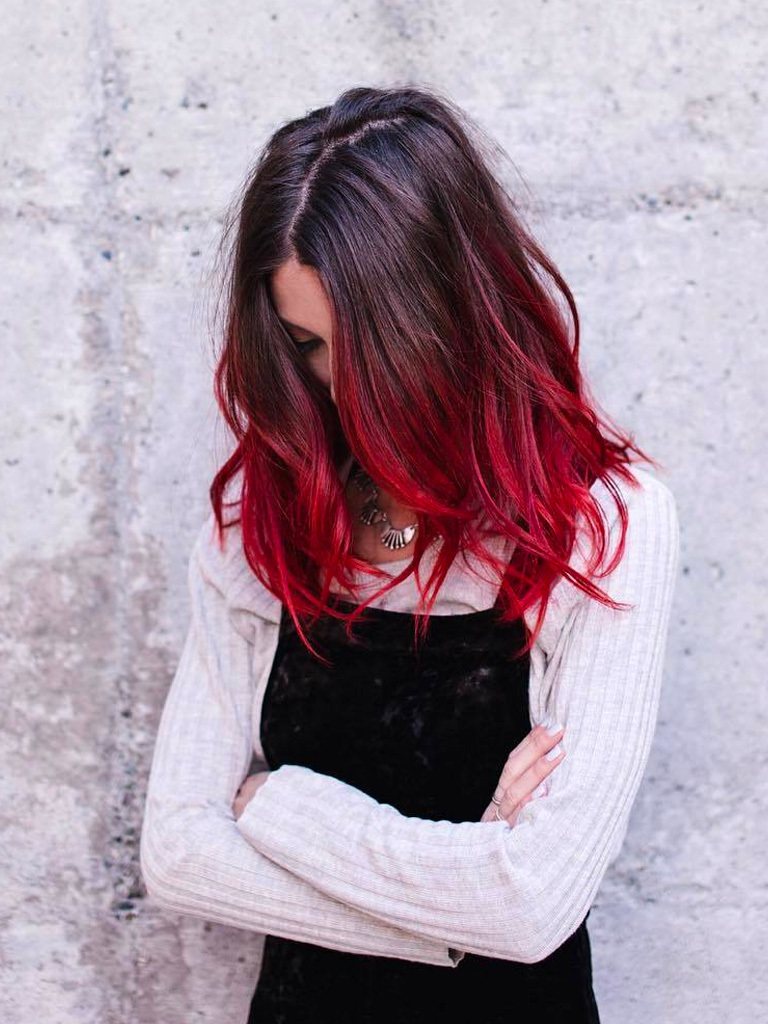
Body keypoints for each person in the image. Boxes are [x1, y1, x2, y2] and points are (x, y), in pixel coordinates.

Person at [139, 85, 680, 1023]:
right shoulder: (259, 524)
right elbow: (179, 856)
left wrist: (275, 809)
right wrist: (460, 903)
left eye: (375, 349)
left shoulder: (602, 521)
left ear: (458, 310)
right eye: (307, 346)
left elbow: (535, 903)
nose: (342, 390)